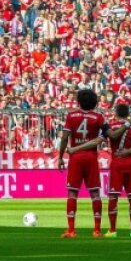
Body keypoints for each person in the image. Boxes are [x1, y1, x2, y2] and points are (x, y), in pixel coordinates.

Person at [56, 87, 107, 238]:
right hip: (91, 157)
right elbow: (106, 134)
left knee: (72, 192)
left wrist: (60, 157)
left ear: (78, 101)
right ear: (94, 102)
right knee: (95, 193)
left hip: (76, 158)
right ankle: (97, 230)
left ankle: (71, 230)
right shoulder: (98, 117)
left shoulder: (71, 116)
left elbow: (65, 137)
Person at [103, 103, 131, 238]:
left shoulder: (111, 126)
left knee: (113, 197)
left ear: (116, 113)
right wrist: (130, 151)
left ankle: (112, 230)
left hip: (116, 163)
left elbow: (108, 138)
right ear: (128, 113)